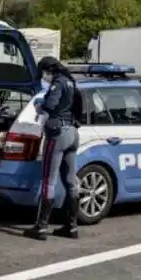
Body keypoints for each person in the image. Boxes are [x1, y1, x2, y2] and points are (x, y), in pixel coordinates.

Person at [24, 56, 83, 241]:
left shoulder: (58, 83)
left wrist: (40, 107)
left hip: (58, 134)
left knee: (48, 181)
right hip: (72, 132)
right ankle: (71, 227)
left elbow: (50, 105)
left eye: (44, 72)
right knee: (70, 180)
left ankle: (41, 227)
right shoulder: (71, 82)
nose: (44, 76)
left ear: (48, 70)